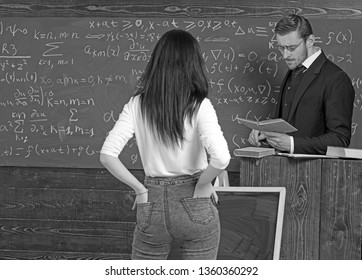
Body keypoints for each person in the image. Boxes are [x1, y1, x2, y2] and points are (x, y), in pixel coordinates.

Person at [100, 29, 231, 260]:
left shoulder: (137, 104)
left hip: (152, 202)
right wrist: (202, 185)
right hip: (195, 202)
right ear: (194, 63)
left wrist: (140, 189)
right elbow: (221, 157)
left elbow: (107, 155)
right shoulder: (199, 105)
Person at [248, 14, 355, 154]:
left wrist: (292, 144)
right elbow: (292, 123)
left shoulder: (336, 79)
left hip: (316, 172)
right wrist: (266, 131)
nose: (285, 55)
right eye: (281, 48)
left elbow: (340, 139)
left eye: (291, 47)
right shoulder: (295, 70)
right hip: (282, 169)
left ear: (310, 41)